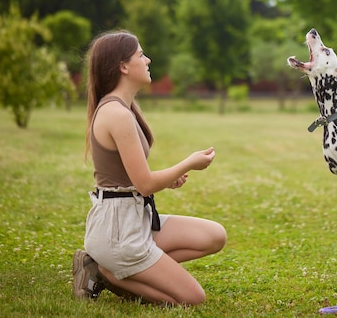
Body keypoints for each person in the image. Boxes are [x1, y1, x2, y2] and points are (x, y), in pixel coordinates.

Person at [72, 30, 226, 306]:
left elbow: (133, 177)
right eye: (141, 55)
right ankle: (108, 272)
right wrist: (189, 162)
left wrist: (168, 179)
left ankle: (118, 268)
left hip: (134, 218)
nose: (148, 60)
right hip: (118, 231)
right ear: (123, 66)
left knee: (215, 236)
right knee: (192, 298)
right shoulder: (116, 113)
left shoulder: (124, 107)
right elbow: (144, 184)